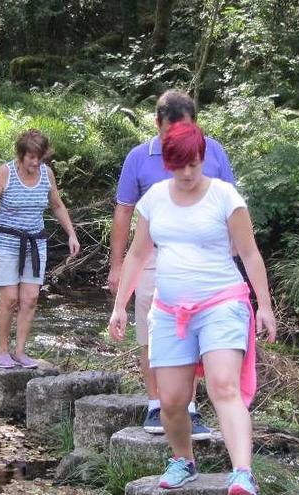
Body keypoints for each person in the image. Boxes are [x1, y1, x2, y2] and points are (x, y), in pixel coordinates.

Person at [108, 122, 276, 494]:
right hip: (169, 311)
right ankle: (184, 460)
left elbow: (250, 252)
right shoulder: (153, 199)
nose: (187, 173)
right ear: (168, 162)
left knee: (223, 385)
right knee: (171, 400)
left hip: (222, 303)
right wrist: (120, 306)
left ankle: (243, 473)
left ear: (203, 159)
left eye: (194, 165)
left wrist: (264, 305)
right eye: (179, 165)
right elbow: (138, 253)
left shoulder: (225, 197)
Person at [108, 89, 236, 439]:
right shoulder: (138, 157)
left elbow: (232, 209)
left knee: (194, 330)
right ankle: (155, 404)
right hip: (151, 255)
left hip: (203, 259)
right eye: (170, 132)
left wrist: (232, 257)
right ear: (157, 124)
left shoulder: (214, 153)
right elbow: (124, 212)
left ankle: (188, 408)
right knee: (152, 330)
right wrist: (117, 266)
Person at [0, 129, 80, 369]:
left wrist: (71, 234)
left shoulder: (47, 174)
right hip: (6, 242)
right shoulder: (5, 172)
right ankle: (2, 351)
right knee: (10, 298)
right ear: (20, 155)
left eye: (39, 157)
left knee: (31, 299)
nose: (35, 162)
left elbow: (57, 205)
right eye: (31, 157)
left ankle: (20, 351)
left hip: (35, 242)